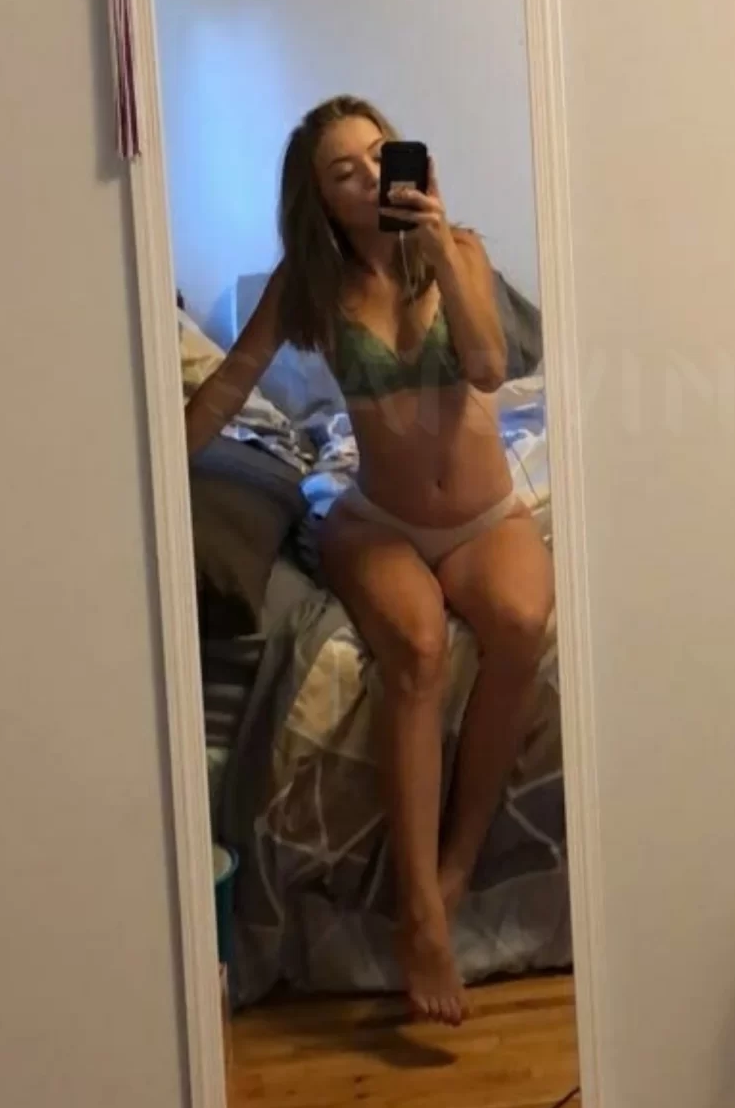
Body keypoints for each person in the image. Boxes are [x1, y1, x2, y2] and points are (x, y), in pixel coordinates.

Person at [184, 95, 554, 1025]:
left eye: (378, 154)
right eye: (342, 171)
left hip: (482, 516)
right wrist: (151, 466)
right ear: (320, 198)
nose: (367, 176)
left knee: (520, 626)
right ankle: (419, 908)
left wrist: (437, 248)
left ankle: (457, 866)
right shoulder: (309, 285)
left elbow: (486, 366)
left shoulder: (458, 251)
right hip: (379, 518)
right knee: (417, 651)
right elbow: (232, 382)